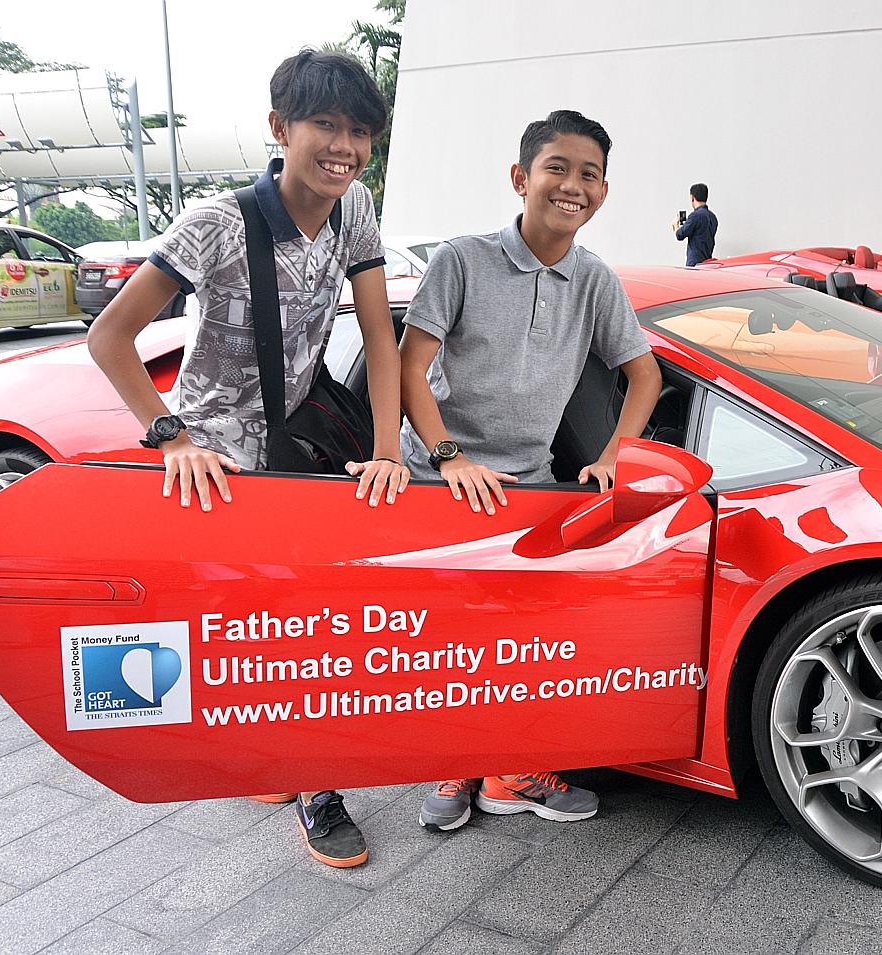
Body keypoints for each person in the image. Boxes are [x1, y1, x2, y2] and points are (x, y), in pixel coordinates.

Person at [87, 49, 410, 869]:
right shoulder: (215, 223)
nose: (344, 147)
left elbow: (378, 337)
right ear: (281, 129)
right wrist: (173, 437)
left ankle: (295, 766)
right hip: (218, 462)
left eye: (360, 131)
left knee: (310, 621)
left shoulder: (355, 207)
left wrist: (385, 452)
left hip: (296, 444)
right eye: (327, 126)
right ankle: (307, 782)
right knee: (265, 628)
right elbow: (109, 335)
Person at [398, 109, 662, 831]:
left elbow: (645, 375)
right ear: (521, 178)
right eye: (557, 168)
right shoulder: (462, 259)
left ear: (603, 191)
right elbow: (409, 368)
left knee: (518, 640)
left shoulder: (594, 280)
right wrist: (451, 457)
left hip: (529, 484)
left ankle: (510, 772)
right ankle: (455, 765)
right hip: (438, 480)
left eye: (589, 174)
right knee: (450, 636)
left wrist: (614, 457)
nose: (572, 185)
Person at [672, 182, 718, 266]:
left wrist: (676, 226)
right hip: (708, 262)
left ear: (692, 197)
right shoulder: (713, 217)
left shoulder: (695, 216)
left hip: (695, 263)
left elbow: (680, 235)